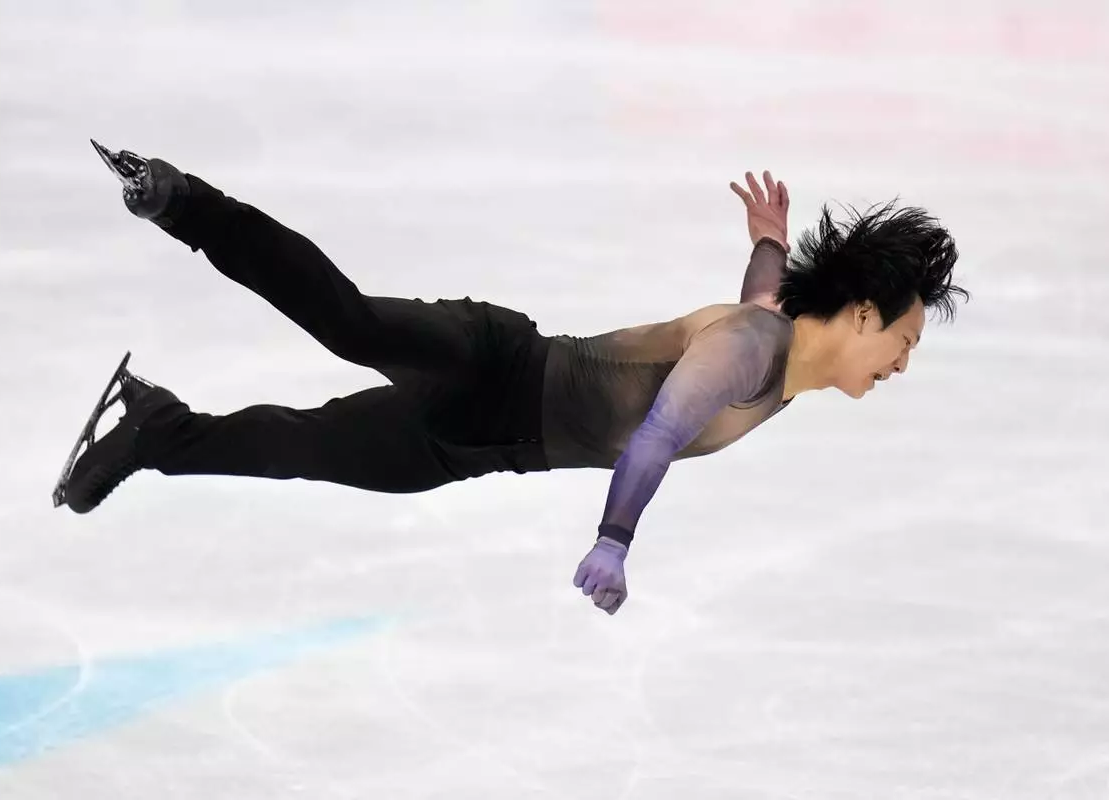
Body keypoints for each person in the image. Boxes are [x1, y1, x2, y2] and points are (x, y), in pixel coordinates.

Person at [55, 142, 967, 616]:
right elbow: (658, 432)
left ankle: (156, 430)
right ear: (861, 314)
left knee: (305, 448)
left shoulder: (779, 344)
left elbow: (767, 286)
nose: (902, 362)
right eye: (905, 338)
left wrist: (769, 238)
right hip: (496, 363)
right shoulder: (749, 351)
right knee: (351, 323)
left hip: (489, 444)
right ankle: (181, 201)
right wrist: (613, 540)